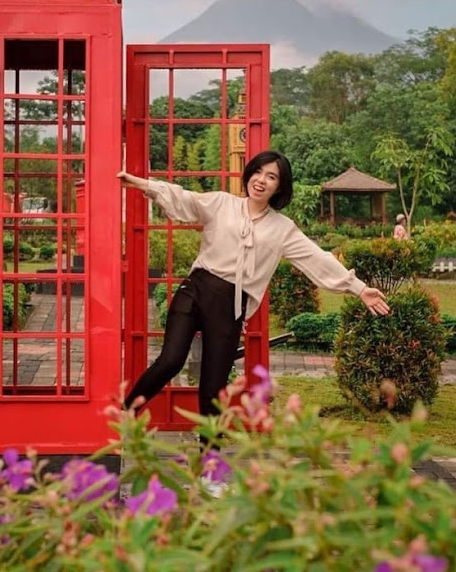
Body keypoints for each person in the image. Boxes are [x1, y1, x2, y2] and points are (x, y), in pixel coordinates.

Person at [118, 150, 390, 421]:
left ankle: (210, 458)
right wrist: (141, 184)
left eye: (271, 176)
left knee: (214, 387)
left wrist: (358, 288)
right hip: (196, 290)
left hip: (230, 306)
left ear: (279, 186)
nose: (261, 180)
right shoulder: (222, 204)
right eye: (258, 172)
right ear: (249, 174)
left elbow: (316, 258)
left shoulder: (283, 229)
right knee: (170, 360)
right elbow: (184, 199)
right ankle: (123, 413)